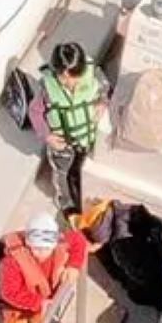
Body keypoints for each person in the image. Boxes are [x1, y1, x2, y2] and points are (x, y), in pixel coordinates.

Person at [0, 210, 89, 323]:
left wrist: (73, 266)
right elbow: (9, 292)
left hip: (43, 305)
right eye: (37, 248)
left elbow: (79, 240)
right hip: (17, 309)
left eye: (47, 248)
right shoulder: (10, 263)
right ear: (27, 244)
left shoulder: (61, 242)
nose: (42, 253)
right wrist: (38, 302)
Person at [36, 42, 108, 214]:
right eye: (64, 78)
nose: (70, 82)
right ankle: (66, 203)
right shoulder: (47, 89)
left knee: (82, 169)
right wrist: (47, 136)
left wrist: (102, 102)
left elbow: (105, 89)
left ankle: (83, 198)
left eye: (75, 77)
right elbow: (35, 112)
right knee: (64, 174)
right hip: (62, 144)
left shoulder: (94, 76)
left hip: (86, 138)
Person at [79, 198, 162, 307]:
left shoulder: (122, 246)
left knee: (137, 295)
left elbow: (142, 276)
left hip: (159, 278)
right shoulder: (125, 210)